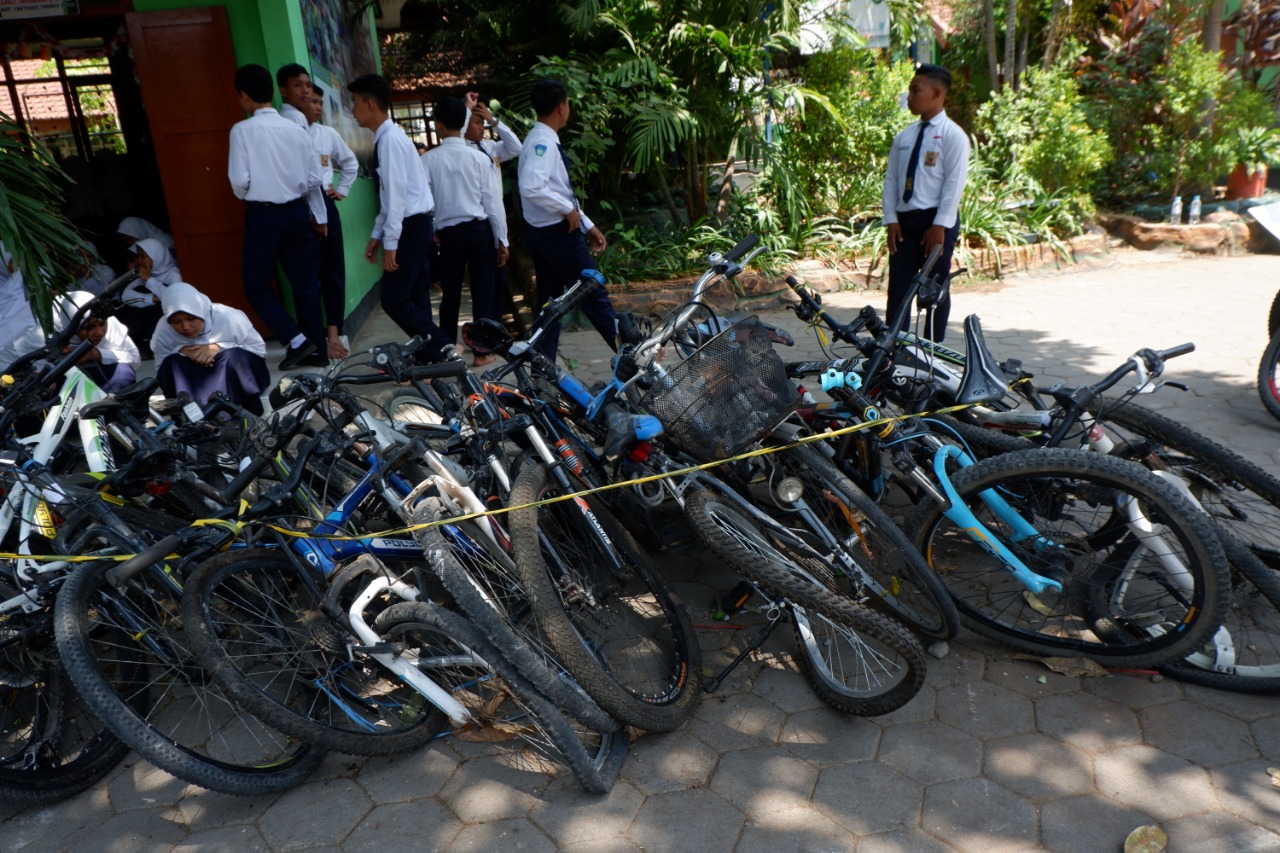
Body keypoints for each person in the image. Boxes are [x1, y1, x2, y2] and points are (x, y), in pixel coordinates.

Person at [228, 63, 329, 370]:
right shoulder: (296, 129)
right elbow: (315, 177)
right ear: (273, 92)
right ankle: (318, 350)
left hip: (264, 214)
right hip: (297, 211)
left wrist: (257, 195)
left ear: (244, 96)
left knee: (256, 284)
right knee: (306, 284)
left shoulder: (242, 130)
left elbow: (239, 181)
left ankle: (297, 341)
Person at [346, 73, 447, 360]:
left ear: (369, 104)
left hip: (411, 225)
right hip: (416, 223)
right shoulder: (389, 139)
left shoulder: (390, 141)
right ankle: (431, 358)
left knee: (393, 298)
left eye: (355, 103)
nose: (352, 111)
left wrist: (390, 241)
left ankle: (441, 345)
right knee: (415, 294)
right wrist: (378, 234)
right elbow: (390, 196)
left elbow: (396, 196)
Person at [518, 79, 615, 359]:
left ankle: (541, 367)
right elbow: (532, 187)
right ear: (562, 107)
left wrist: (587, 223)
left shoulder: (539, 138)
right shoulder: (542, 143)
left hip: (545, 233)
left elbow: (557, 191)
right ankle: (633, 356)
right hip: (556, 235)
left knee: (550, 304)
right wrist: (567, 211)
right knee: (593, 292)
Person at [882, 63, 969, 342]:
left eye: (915, 90)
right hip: (905, 222)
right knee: (899, 287)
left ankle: (934, 347)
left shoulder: (953, 136)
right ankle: (895, 346)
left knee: (935, 286)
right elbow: (891, 180)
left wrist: (940, 226)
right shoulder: (904, 137)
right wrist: (892, 219)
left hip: (935, 222)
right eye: (909, 89)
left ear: (937, 93)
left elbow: (953, 184)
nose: (909, 96)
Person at [422, 97, 508, 361]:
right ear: (463, 123)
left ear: (437, 124)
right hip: (480, 230)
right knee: (483, 290)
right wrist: (502, 239)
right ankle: (481, 353)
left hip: (449, 234)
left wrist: (435, 227)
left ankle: (447, 352)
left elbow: (426, 203)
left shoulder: (428, 160)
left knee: (451, 293)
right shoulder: (479, 158)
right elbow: (493, 203)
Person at [152, 282, 271, 415]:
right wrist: (182, 351)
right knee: (171, 363)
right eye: (176, 322)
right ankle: (190, 419)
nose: (185, 326)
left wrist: (218, 348)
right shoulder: (163, 329)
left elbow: (258, 350)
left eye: (191, 318)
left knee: (234, 357)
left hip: (231, 373)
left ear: (200, 311)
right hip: (196, 381)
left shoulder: (228, 317)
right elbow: (161, 368)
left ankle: (248, 414)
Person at [305, 84, 359, 359]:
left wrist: (342, 190)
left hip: (325, 204)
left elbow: (350, 162)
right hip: (300, 207)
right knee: (307, 276)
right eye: (311, 101)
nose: (316, 106)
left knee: (333, 272)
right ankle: (314, 339)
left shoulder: (327, 134)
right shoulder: (290, 132)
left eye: (318, 102)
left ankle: (334, 333)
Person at [55, 292, 141, 394]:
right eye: (89, 327)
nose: (99, 332)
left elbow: (134, 358)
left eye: (102, 324)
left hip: (101, 374)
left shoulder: (110, 322)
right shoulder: (47, 330)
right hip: (65, 381)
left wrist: (96, 354)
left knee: (123, 373)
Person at [119, 237, 183, 358]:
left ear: (156, 255)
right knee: (138, 296)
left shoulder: (174, 274)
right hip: (147, 322)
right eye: (139, 256)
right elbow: (126, 296)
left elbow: (176, 298)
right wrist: (153, 298)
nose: (140, 261)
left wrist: (149, 280)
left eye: (143, 256)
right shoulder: (145, 274)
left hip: (167, 321)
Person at [464, 92, 522, 163]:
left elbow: (516, 148)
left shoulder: (489, 146)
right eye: (477, 122)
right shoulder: (460, 150)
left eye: (482, 123)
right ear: (464, 122)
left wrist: (492, 121)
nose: (482, 128)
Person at [276, 63, 312, 130]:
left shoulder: (281, 115)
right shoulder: (296, 116)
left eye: (308, 86)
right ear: (283, 91)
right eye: (297, 85)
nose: (305, 91)